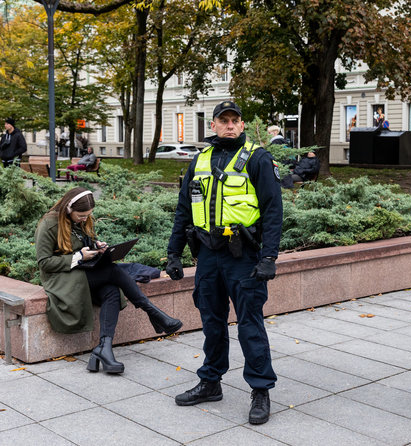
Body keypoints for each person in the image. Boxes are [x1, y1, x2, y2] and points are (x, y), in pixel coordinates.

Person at [166, 100, 282, 425]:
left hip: (242, 257)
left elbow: (273, 211)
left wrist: (270, 257)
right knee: (211, 322)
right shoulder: (199, 161)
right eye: (223, 120)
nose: (230, 125)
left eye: (235, 120)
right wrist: (173, 253)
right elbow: (183, 210)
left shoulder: (257, 158)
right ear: (213, 125)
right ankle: (210, 382)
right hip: (207, 255)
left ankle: (260, 390)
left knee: (249, 325)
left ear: (242, 125)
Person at [34, 187, 183, 375]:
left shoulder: (80, 220)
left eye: (88, 215)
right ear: (69, 208)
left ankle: (104, 348)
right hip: (60, 278)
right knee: (112, 270)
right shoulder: (49, 224)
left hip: (82, 272)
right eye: (81, 215)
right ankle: (152, 312)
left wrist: (97, 246)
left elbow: (82, 241)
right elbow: (45, 263)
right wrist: (79, 256)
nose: (84, 219)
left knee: (112, 290)